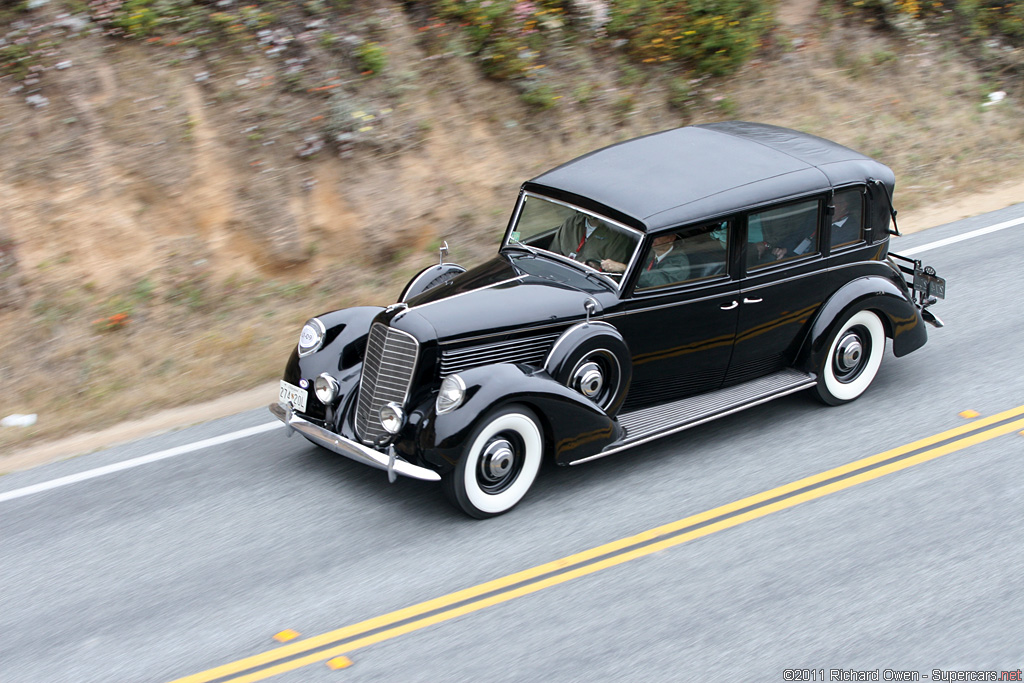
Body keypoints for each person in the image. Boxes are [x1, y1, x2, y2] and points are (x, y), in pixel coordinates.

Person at [552, 212, 633, 273]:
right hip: (561, 274)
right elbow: (553, 255)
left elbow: (611, 273)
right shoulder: (571, 222)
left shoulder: (618, 234)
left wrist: (596, 268)